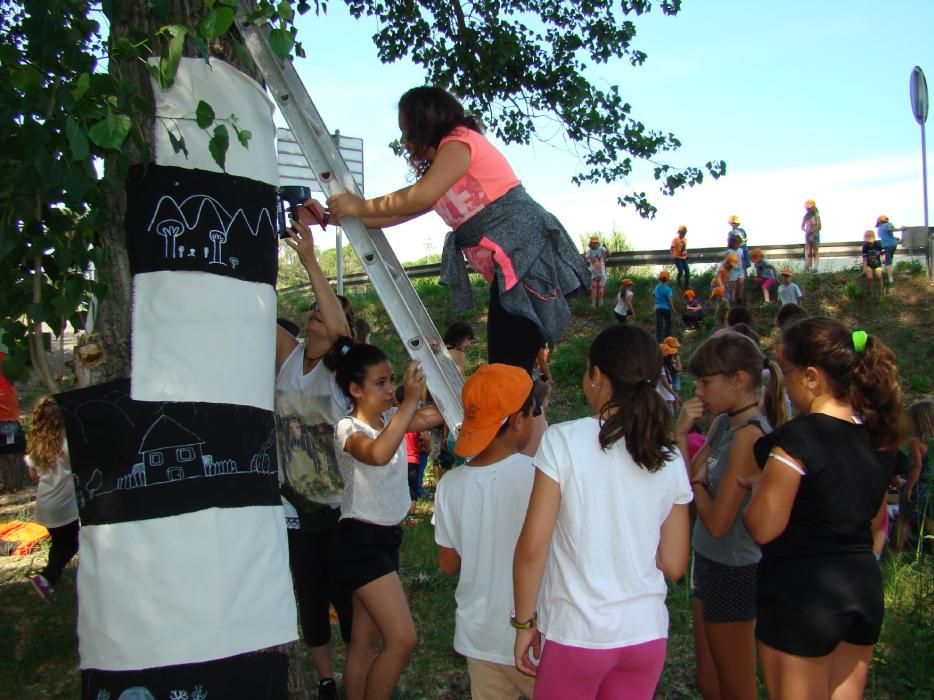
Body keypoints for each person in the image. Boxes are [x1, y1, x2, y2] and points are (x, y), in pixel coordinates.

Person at [326, 86, 590, 374]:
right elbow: (398, 212)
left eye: (407, 131)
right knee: (510, 372)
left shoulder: (459, 143)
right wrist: (333, 217)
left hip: (526, 257)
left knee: (507, 374)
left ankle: (518, 415)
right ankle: (519, 413)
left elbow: (419, 196)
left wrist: (358, 206)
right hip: (512, 267)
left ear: (424, 124)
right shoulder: (443, 169)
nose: (403, 140)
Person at [512, 325, 692, 700]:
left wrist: (524, 622)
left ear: (597, 375)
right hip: (645, 637)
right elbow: (675, 565)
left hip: (577, 635)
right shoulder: (668, 455)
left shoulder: (563, 441)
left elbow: (533, 547)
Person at [742, 319, 902, 699]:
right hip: (861, 589)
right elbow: (870, 514)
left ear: (812, 377)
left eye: (788, 372)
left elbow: (763, 526)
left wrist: (761, 487)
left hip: (802, 596)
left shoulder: (798, 437)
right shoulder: (878, 441)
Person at [675, 333, 785, 700]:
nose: (699, 392)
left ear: (738, 380)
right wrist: (680, 435)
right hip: (707, 561)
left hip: (733, 570)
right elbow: (688, 478)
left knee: (735, 687)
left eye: (706, 382)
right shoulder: (724, 425)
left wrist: (699, 485)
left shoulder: (749, 436)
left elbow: (719, 523)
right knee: (708, 681)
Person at [331, 342, 442, 700]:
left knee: (365, 640)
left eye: (390, 380)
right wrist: (409, 402)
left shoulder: (389, 419)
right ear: (355, 389)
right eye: (380, 382)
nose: (387, 388)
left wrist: (436, 370)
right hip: (359, 540)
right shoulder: (347, 429)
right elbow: (378, 454)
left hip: (385, 538)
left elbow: (436, 414)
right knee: (402, 638)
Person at [274, 216, 356, 700]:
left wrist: (310, 259)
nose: (314, 313)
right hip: (294, 508)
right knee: (310, 596)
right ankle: (327, 681)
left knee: (346, 598)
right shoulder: (288, 354)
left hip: (341, 508)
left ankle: (355, 669)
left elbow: (341, 326)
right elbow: (260, 311)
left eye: (322, 309)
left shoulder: (343, 371)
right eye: (311, 308)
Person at [434, 364, 538, 700]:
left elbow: (448, 564)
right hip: (535, 635)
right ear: (519, 419)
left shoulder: (449, 485)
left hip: (477, 637)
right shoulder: (540, 478)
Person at [24, 396, 79, 603]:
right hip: (64, 506)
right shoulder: (66, 444)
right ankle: (46, 577)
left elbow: (33, 475)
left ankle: (48, 583)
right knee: (71, 544)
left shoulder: (37, 445)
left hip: (45, 503)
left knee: (58, 544)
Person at [895, 400, 934, 553]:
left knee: (903, 519)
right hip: (931, 487)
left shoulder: (915, 442)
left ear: (918, 421)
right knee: (930, 520)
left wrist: (909, 488)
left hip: (919, 486)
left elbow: (916, 467)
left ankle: (897, 552)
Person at [875, 215, 906, 288]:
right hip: (893, 245)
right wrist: (901, 229)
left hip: (887, 246)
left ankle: (890, 280)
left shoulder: (879, 229)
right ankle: (887, 268)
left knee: (888, 263)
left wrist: (900, 229)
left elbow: (887, 232)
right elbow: (890, 230)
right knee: (889, 261)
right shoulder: (889, 224)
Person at [585, 235, 609, 307]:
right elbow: (586, 259)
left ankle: (600, 302)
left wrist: (606, 249)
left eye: (595, 243)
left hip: (601, 272)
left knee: (601, 287)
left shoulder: (601, 249)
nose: (594, 244)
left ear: (598, 243)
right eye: (593, 243)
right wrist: (590, 259)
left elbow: (609, 254)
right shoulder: (589, 251)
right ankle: (593, 303)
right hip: (594, 272)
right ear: (590, 243)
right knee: (594, 287)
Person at [861, 229, 884, 298]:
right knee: (869, 277)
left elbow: (883, 254)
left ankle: (881, 292)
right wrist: (864, 269)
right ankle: (869, 293)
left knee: (879, 276)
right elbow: (864, 259)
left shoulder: (878, 245)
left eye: (870, 241)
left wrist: (883, 260)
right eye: (867, 241)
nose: (869, 243)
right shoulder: (865, 247)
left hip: (877, 265)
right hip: (869, 265)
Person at [654, 270, 675, 342]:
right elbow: (670, 300)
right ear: (668, 279)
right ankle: (668, 340)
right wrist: (673, 309)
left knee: (659, 325)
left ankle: (658, 341)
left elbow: (653, 295)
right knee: (668, 324)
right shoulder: (668, 289)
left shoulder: (656, 287)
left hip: (658, 308)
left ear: (659, 278)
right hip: (666, 308)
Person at [725, 235, 746, 304]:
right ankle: (732, 300)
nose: (738, 245)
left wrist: (745, 270)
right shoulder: (729, 251)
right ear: (732, 243)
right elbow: (726, 262)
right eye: (737, 243)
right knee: (733, 285)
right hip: (732, 270)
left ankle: (740, 297)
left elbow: (742, 260)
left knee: (741, 282)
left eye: (739, 243)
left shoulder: (741, 250)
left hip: (740, 270)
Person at [802, 200, 821, 272]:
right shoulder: (806, 216)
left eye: (809, 208)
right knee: (808, 252)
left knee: (815, 252)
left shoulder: (816, 215)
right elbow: (802, 226)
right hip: (807, 236)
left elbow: (819, 226)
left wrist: (813, 234)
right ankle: (809, 268)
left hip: (815, 235)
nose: (807, 209)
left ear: (813, 207)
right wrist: (805, 231)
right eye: (807, 208)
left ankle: (816, 268)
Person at [671, 225, 690, 289]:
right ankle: (678, 282)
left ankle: (687, 285)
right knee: (681, 270)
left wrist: (686, 255)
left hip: (684, 258)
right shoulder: (675, 239)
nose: (684, 234)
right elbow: (672, 247)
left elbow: (684, 248)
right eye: (682, 232)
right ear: (679, 232)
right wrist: (673, 254)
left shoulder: (685, 239)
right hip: (677, 258)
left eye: (685, 233)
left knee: (687, 270)